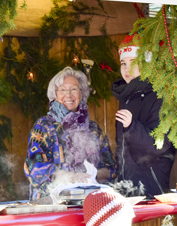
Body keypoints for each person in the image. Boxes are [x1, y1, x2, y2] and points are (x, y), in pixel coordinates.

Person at [24, 66, 116, 200]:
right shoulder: (44, 126)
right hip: (52, 207)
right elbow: (33, 167)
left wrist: (94, 175)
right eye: (62, 90)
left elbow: (111, 168)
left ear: (82, 93)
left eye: (74, 89)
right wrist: (71, 177)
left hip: (90, 203)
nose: (69, 94)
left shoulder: (93, 129)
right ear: (54, 95)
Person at [112, 35, 175, 198]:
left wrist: (132, 126)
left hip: (153, 188)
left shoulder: (159, 95)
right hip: (127, 187)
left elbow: (160, 145)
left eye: (133, 63)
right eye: (123, 63)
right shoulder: (125, 97)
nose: (127, 69)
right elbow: (123, 148)